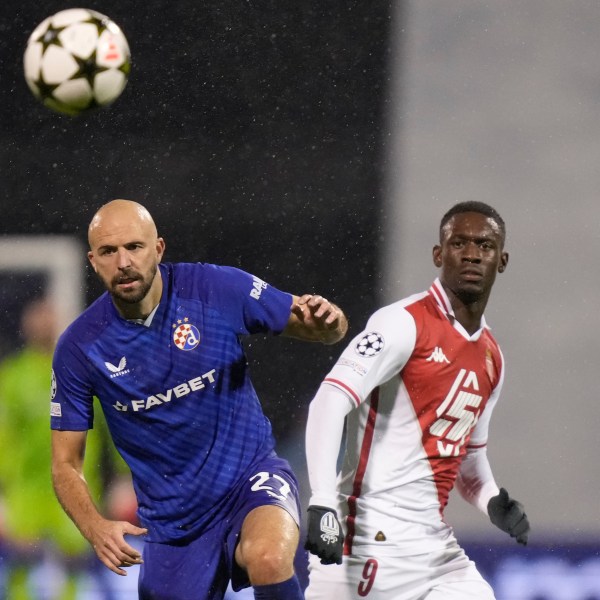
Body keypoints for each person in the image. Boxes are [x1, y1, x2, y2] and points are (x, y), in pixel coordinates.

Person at [50, 199, 348, 600]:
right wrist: (94, 526)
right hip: (173, 526)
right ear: (92, 260)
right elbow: (66, 463)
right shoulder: (80, 347)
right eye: (108, 251)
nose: (123, 261)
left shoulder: (213, 289)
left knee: (268, 557)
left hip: (249, 479)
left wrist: (332, 323)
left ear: (158, 248)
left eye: (134, 247)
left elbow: (319, 329)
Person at [303, 201, 530, 600]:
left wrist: (492, 500)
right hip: (366, 539)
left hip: (433, 547)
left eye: (485, 244)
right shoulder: (402, 322)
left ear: (503, 259)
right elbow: (329, 400)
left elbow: (467, 459)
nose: (473, 253)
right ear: (439, 255)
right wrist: (322, 503)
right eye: (459, 243)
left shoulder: (492, 357)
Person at [0, 298, 123, 599]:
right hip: (26, 492)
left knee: (77, 566)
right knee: (20, 566)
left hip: (77, 483)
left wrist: (124, 478)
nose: (44, 323)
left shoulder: (85, 370)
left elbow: (116, 425)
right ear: (25, 326)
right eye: (38, 317)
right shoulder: (13, 376)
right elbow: (3, 435)